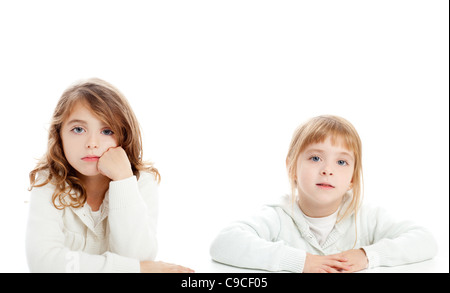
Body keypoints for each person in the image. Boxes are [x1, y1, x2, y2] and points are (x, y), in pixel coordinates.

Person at [210, 115, 437, 273]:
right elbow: (224, 243)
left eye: (341, 161)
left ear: (353, 178)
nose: (327, 169)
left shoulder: (366, 217)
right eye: (315, 158)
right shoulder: (278, 217)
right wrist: (301, 262)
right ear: (291, 167)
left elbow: (425, 240)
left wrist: (366, 255)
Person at [27, 78, 194, 273]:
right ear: (59, 135)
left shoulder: (141, 182)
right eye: (78, 129)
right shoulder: (49, 182)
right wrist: (134, 269)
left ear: (125, 135)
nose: (92, 143)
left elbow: (138, 258)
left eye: (107, 131)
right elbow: (44, 263)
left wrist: (123, 180)